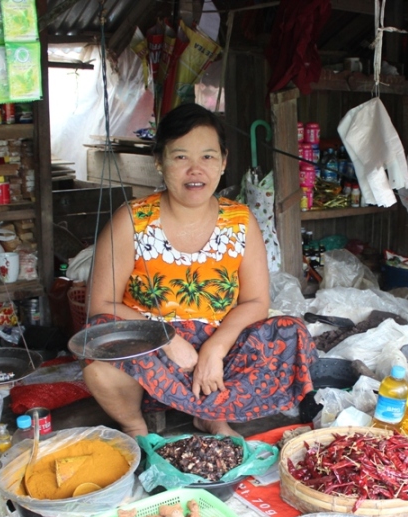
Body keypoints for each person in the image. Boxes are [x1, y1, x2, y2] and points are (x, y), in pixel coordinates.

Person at [82, 103, 317, 438]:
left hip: (218, 361)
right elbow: (101, 306)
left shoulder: (240, 221)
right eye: (180, 157)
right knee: (99, 350)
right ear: (159, 162)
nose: (195, 170)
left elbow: (255, 302)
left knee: (291, 332)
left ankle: (212, 414)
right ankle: (135, 424)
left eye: (207, 157)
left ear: (223, 161)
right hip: (151, 357)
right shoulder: (131, 221)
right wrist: (166, 337)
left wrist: (215, 349)